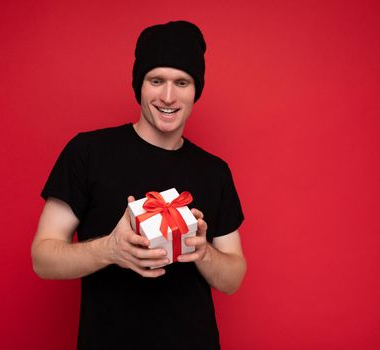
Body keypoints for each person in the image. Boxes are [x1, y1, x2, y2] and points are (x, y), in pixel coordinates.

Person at [31, 20, 246, 350]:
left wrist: (202, 252)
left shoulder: (215, 171)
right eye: (156, 80)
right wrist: (111, 249)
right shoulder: (87, 153)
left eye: (182, 82)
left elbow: (233, 278)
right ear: (139, 85)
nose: (168, 96)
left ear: (195, 89)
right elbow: (42, 258)